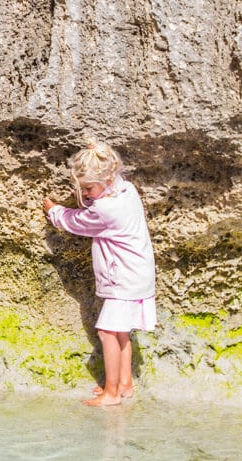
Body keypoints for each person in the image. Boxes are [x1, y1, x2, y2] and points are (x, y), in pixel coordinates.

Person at [42, 140, 156, 406]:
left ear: (106, 178)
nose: (86, 194)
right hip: (136, 274)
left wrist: (54, 211)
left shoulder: (106, 209)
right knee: (120, 332)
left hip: (123, 279)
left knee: (106, 331)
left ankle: (112, 394)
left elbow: (77, 222)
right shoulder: (126, 190)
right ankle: (125, 385)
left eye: (88, 188)